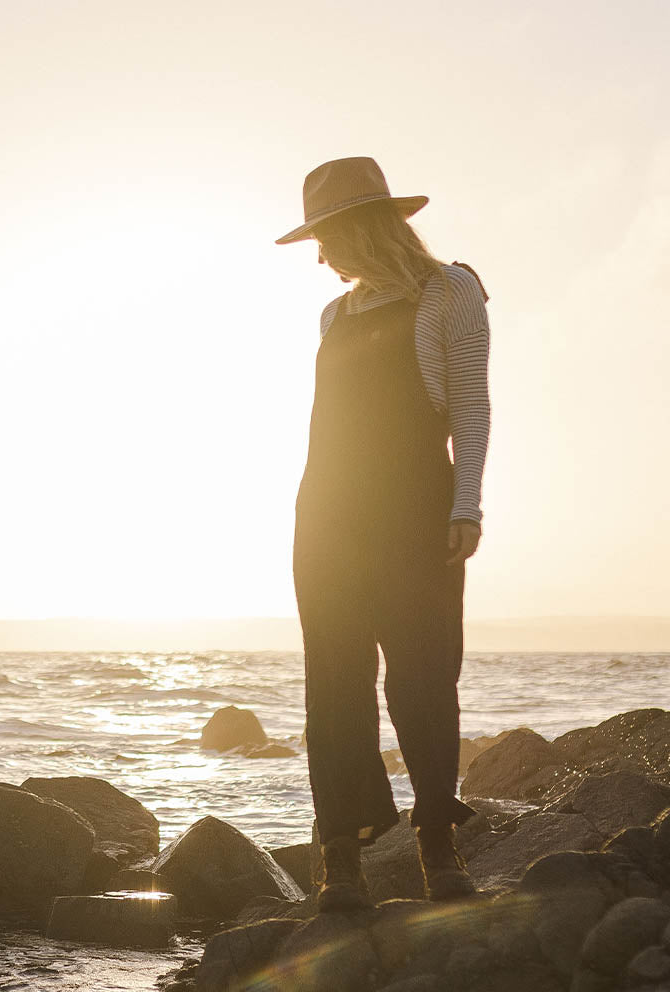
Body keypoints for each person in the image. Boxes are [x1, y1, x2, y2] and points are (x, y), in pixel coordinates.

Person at [276, 157, 490, 909]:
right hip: (326, 517)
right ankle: (341, 858)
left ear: (357, 230)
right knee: (333, 684)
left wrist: (466, 505)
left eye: (325, 239)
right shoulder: (334, 317)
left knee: (424, 675)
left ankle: (439, 844)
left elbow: (470, 407)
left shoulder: (449, 292)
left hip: (414, 510)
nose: (322, 257)